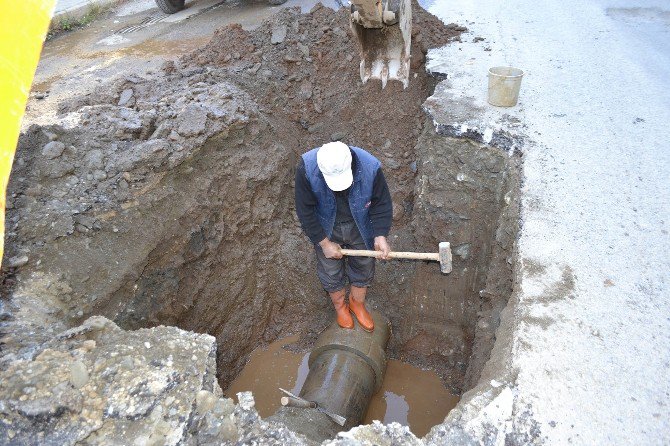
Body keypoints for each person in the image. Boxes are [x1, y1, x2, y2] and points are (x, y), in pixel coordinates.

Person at [295, 141, 393, 332]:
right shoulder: (307, 168)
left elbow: (381, 203)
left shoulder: (370, 167)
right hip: (326, 225)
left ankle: (357, 304)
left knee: (364, 262)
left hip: (360, 223)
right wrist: (324, 243)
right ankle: (341, 307)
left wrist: (380, 235)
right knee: (330, 269)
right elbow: (304, 210)